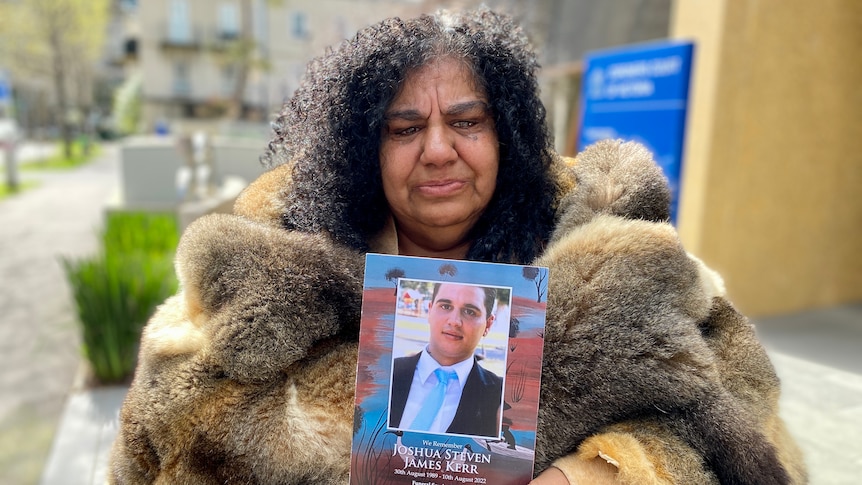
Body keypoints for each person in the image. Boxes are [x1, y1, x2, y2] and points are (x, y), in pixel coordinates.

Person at [110, 6, 806, 484]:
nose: (438, 150)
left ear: (504, 133)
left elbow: (745, 407)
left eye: (466, 121)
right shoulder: (271, 256)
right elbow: (164, 426)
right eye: (405, 128)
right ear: (364, 148)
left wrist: (593, 469)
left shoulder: (613, 250)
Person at [389, 283, 503, 437]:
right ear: (430, 310)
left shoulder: (501, 397)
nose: (455, 321)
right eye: (445, 306)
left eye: (470, 311)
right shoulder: (386, 374)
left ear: (488, 324)